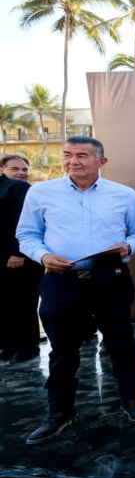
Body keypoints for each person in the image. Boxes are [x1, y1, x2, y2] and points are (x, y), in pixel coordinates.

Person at [17, 136, 135, 444]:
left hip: (110, 278)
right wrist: (42, 256)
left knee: (122, 344)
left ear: (101, 161)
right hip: (62, 280)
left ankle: (131, 400)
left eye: (82, 155)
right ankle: (60, 412)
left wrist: (129, 245)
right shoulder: (41, 192)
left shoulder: (123, 194)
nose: (73, 161)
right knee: (62, 350)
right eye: (68, 154)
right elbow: (27, 234)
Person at [0, 154, 43, 363]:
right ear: (2, 170)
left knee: (23, 303)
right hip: (4, 257)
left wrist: (18, 253)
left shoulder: (19, 188)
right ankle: (9, 345)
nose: (21, 173)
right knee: (5, 303)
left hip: (21, 259)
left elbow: (24, 223)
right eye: (15, 169)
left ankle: (28, 347)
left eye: (24, 169)